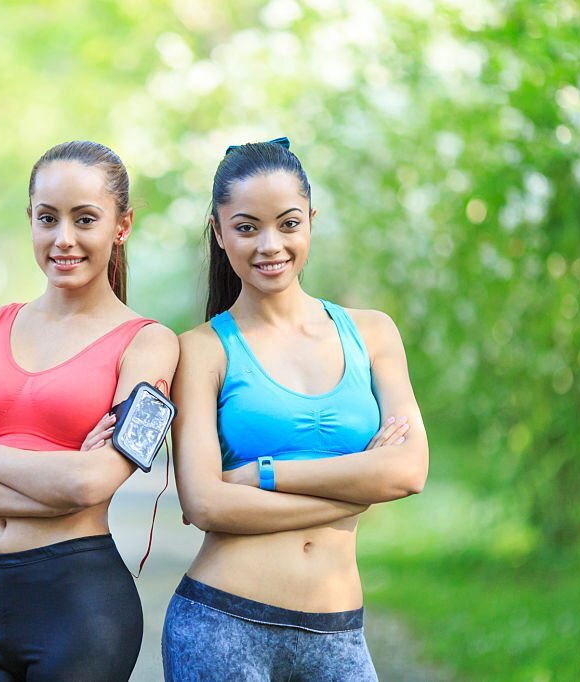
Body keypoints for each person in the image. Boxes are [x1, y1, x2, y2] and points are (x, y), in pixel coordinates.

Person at [0, 140, 179, 682]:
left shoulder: (152, 345)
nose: (64, 239)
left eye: (85, 219)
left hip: (80, 605)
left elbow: (91, 485)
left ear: (121, 226)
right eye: (47, 218)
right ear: (29, 219)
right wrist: (58, 484)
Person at [162, 138, 428, 681]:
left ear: (311, 218)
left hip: (339, 633)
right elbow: (207, 504)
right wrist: (354, 497)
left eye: (287, 223)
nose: (269, 245)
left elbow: (408, 469)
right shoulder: (201, 349)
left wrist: (266, 474)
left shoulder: (372, 332)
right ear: (218, 231)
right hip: (221, 625)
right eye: (246, 227)